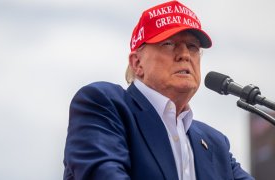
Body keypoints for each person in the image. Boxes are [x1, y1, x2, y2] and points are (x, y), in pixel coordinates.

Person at [63, 1, 254, 179]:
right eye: (169, 44)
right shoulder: (103, 105)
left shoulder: (215, 142)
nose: (185, 55)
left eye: (193, 46)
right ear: (137, 63)